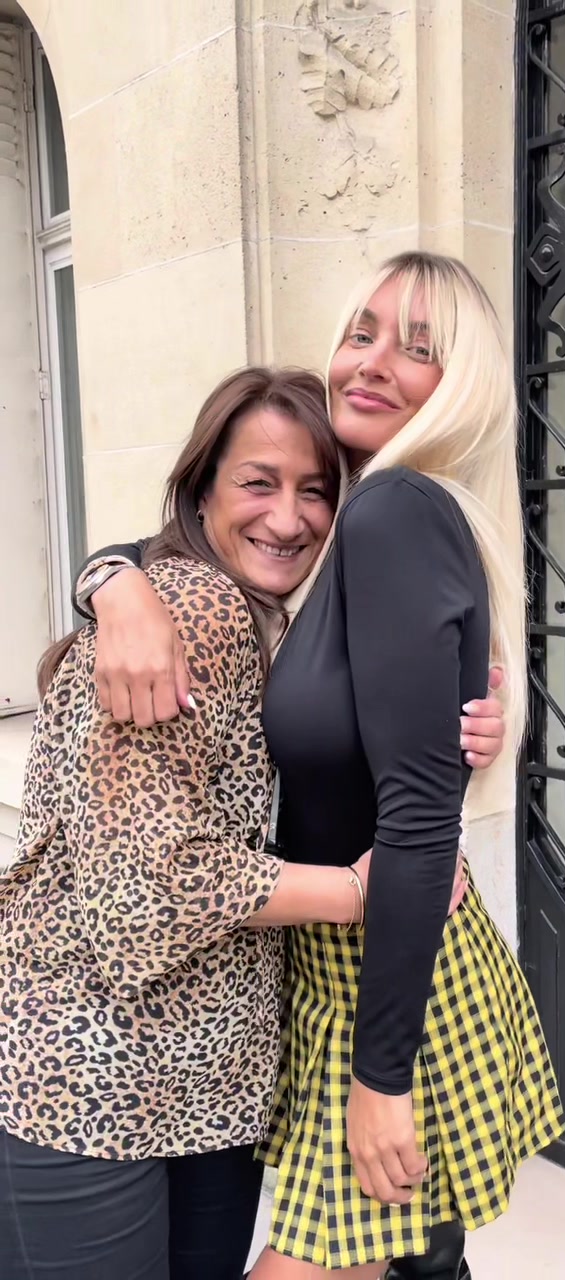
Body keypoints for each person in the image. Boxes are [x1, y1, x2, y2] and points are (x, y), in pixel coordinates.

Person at [77, 252, 564, 1280]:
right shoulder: (361, 523)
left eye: (419, 347)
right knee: (422, 1258)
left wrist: (382, 1076)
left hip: (390, 986)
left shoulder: (394, 514)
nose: (374, 361)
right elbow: (187, 533)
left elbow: (419, 817)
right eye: (361, 333)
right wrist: (112, 581)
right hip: (357, 962)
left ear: (463, 384)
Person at [0, 366, 499, 1280]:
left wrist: (461, 728)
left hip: (206, 1081)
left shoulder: (267, 620)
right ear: (203, 492)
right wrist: (357, 891)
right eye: (258, 483)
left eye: (317, 490)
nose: (289, 517)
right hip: (91, 1082)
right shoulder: (198, 608)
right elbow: (140, 894)